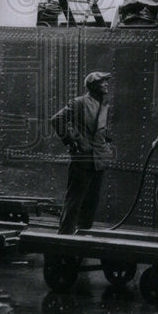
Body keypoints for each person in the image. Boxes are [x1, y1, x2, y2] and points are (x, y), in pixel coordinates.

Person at [50, 71, 114, 234]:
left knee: (91, 202)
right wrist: (74, 140)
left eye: (106, 81)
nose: (106, 84)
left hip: (98, 160)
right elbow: (57, 119)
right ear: (92, 86)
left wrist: (105, 139)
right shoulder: (78, 102)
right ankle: (64, 237)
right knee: (74, 202)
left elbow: (98, 130)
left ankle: (82, 236)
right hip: (82, 159)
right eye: (102, 82)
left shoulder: (104, 104)